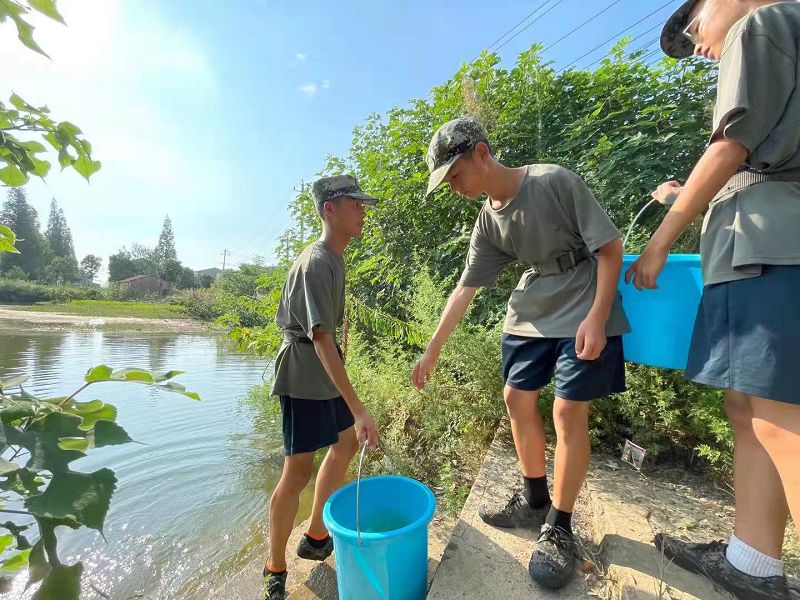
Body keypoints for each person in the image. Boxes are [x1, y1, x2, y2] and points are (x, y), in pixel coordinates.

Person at [412, 116, 629, 589]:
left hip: (585, 298)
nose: (453, 187)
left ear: (482, 154)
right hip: (534, 304)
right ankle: (534, 501)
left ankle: (560, 526)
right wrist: (431, 352)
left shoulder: (553, 181)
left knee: (568, 411)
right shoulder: (488, 219)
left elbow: (610, 249)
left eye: (455, 175)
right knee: (515, 399)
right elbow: (465, 287)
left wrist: (597, 316)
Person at [628, 2, 800, 598]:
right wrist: (691, 190)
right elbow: (761, 154)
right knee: (747, 403)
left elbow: (730, 148)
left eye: (692, 26)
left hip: (770, 244)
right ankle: (753, 563)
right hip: (757, 240)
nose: (695, 43)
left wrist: (657, 242)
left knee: (778, 414)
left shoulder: (760, 23)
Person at [264, 175, 380, 600]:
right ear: (330, 209)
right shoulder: (316, 263)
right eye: (355, 204)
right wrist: (360, 406)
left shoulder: (335, 257)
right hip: (303, 377)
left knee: (346, 443)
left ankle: (314, 536)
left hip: (324, 373)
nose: (362, 210)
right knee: (296, 473)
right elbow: (320, 338)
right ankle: (275, 568)